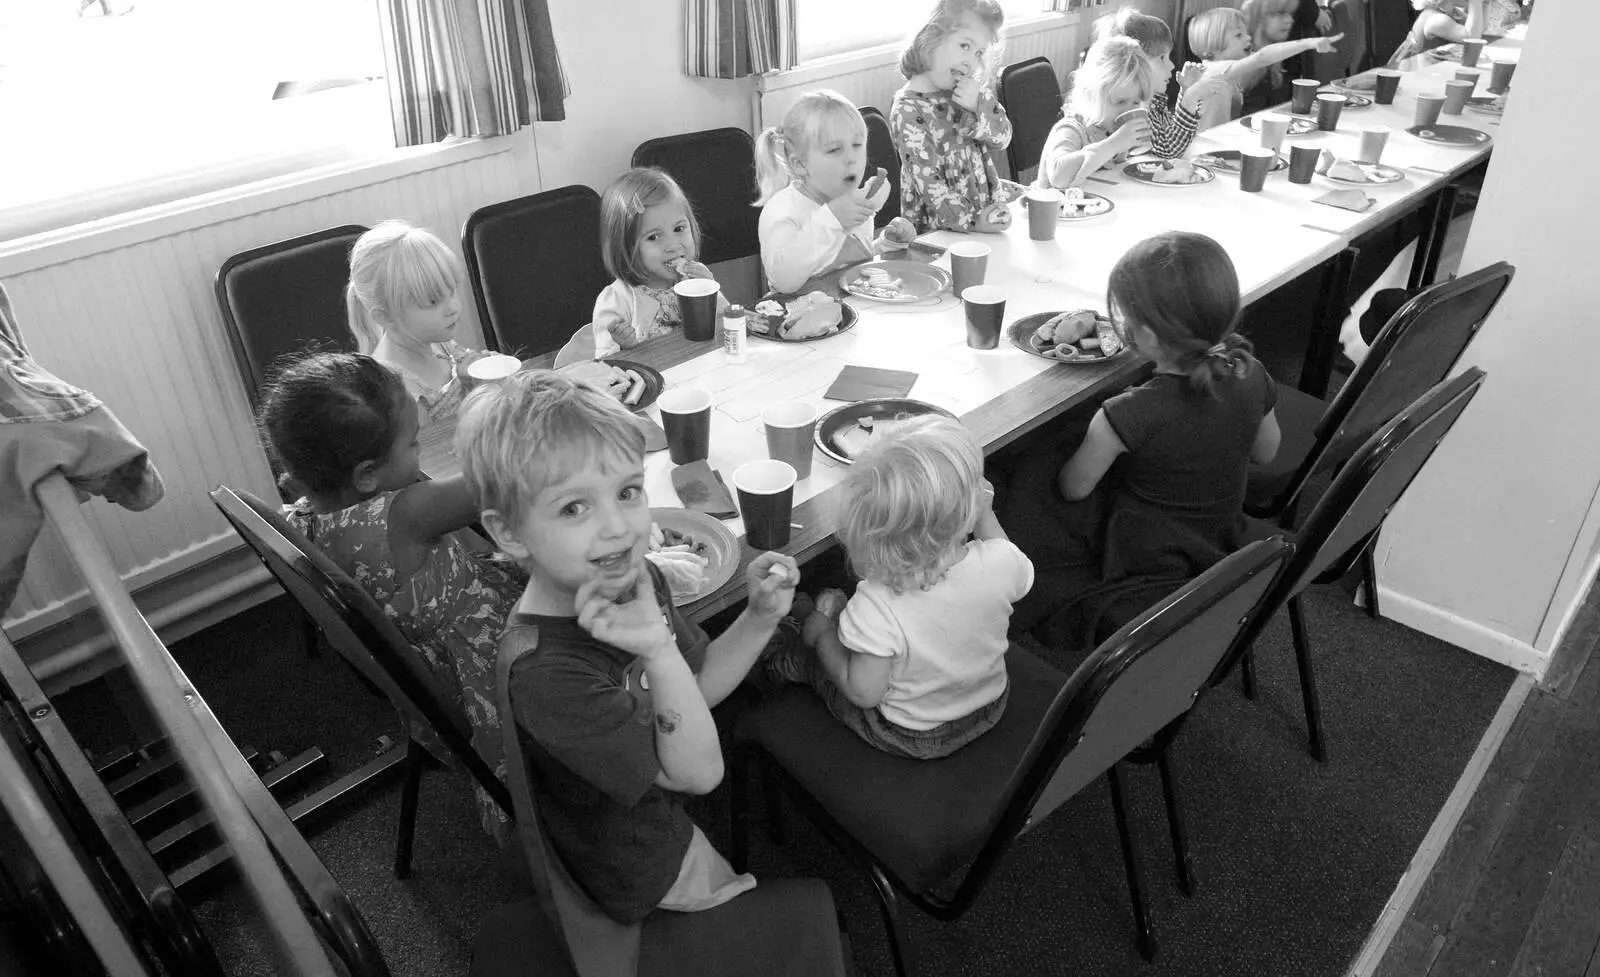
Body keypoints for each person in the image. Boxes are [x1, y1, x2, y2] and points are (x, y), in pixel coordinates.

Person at [459, 369, 804, 922]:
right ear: (509, 533)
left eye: (627, 491)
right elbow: (698, 775)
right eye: (574, 507)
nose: (619, 528)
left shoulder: (635, 578)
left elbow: (696, 687)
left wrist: (760, 618)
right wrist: (658, 651)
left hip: (660, 800)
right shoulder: (546, 675)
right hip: (636, 855)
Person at [258, 352, 525, 835]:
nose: (420, 453)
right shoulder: (405, 515)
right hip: (490, 666)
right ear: (365, 475)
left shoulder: (308, 514)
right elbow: (506, 480)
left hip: (425, 683)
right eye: (415, 445)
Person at [1002, 232, 1281, 649]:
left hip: (1143, 555)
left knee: (1023, 474)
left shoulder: (1127, 412)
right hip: (1217, 535)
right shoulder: (1249, 370)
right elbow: (1266, 451)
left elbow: (1074, 488)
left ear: (1147, 336)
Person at [766, 415, 1031, 759]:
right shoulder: (1000, 562)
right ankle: (823, 627)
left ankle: (780, 656)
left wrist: (823, 637)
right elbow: (1012, 561)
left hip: (908, 732)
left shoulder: (877, 604)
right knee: (872, 633)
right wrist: (985, 516)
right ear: (971, 507)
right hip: (987, 704)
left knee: (816, 651)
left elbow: (864, 693)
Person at [889, 0, 1025, 233]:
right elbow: (932, 188)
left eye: (979, 52)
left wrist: (979, 107)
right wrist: (974, 221)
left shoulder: (969, 94)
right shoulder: (908, 110)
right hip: (938, 236)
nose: (970, 61)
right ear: (930, 39)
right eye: (964, 46)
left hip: (983, 224)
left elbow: (1003, 137)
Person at [754, 90, 905, 294]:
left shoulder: (853, 200)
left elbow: (848, 263)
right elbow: (784, 281)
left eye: (857, 145)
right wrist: (831, 219)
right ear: (800, 165)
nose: (851, 158)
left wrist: (887, 245)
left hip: (857, 311)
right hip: (803, 316)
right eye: (834, 150)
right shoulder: (782, 210)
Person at [345, 221, 485, 423]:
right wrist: (474, 391)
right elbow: (431, 450)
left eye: (452, 290)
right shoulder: (398, 390)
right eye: (433, 301)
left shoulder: (437, 341)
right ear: (385, 316)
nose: (453, 307)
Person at [592, 167, 722, 358]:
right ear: (626, 247)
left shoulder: (693, 281)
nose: (672, 245)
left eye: (679, 228)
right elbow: (606, 368)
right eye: (654, 237)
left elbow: (726, 328)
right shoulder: (617, 300)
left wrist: (708, 291)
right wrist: (623, 347)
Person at [1092, 8, 1232, 160]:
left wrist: (1186, 91)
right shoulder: (1134, 107)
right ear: (1134, 63)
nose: (1171, 65)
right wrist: (1189, 99)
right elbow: (1168, 151)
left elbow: (1172, 135)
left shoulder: (1154, 100)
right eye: (1161, 58)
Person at [1036, 38, 1162, 190]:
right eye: (1121, 102)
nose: (1129, 110)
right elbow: (1058, 177)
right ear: (1091, 95)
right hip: (1056, 212)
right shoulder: (1072, 129)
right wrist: (1114, 144)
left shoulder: (1110, 130)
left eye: (1136, 102)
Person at [1188, 7, 1342, 129]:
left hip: (1218, 139)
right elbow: (1262, 57)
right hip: (1203, 147)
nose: (1248, 37)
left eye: (1246, 33)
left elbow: (1263, 57)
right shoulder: (1215, 71)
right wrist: (1309, 43)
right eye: (1238, 35)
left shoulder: (1228, 70)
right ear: (1211, 49)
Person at [1388, 0, 1486, 65]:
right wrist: (1475, 2)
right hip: (1418, 76)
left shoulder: (1450, 12)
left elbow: (1480, 28)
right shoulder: (1437, 20)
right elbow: (1472, 39)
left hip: (1432, 70)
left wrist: (1485, 3)